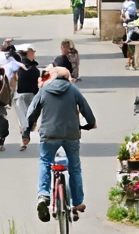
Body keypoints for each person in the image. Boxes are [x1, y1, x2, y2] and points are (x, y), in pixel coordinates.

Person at [27, 64, 97, 222]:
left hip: (49, 135)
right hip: (71, 134)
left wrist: (27, 131)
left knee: (45, 161)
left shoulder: (44, 89)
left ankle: (43, 196)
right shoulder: (73, 90)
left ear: (53, 76)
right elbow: (86, 109)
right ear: (67, 77)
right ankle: (78, 202)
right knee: (74, 167)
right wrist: (90, 123)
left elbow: (31, 111)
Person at [13, 45, 41, 151]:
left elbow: (14, 80)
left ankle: (24, 138)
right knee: (30, 117)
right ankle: (26, 136)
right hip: (31, 95)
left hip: (20, 95)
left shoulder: (18, 66)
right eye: (32, 51)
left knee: (24, 119)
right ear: (28, 52)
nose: (34, 53)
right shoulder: (31, 68)